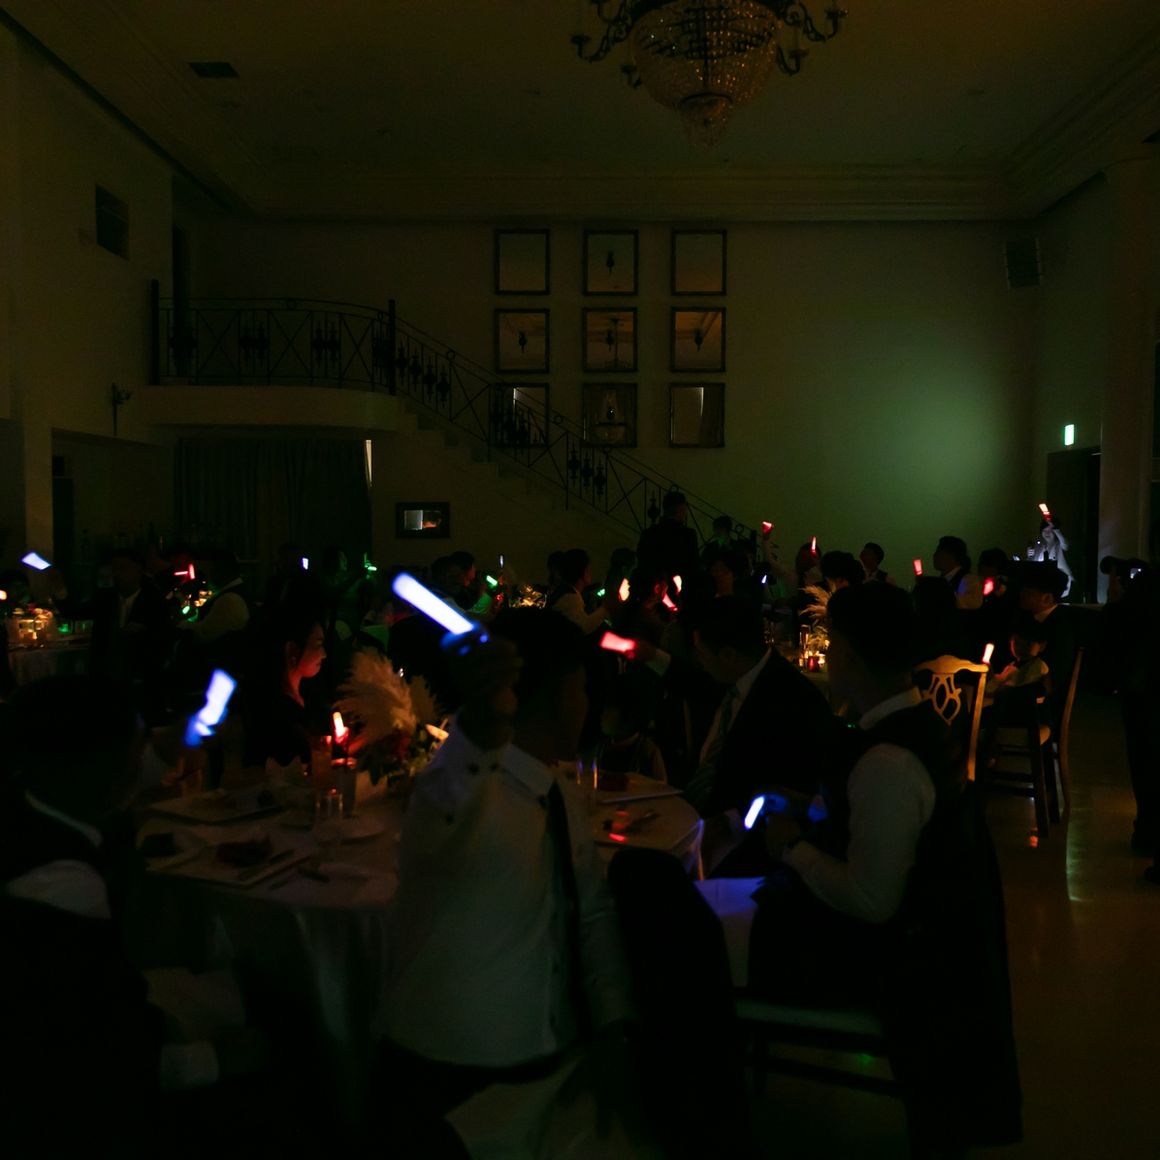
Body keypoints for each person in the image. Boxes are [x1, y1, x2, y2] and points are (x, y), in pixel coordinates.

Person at [731, 583, 1022, 1151]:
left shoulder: (888, 761)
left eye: (830, 643)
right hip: (928, 952)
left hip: (889, 967)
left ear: (847, 654)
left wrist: (792, 847)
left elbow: (871, 900)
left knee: (696, 935)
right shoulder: (916, 728)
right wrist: (810, 808)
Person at [374, 609, 634, 1154]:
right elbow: (444, 808)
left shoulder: (558, 791)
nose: (587, 704)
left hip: (547, 1062)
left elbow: (591, 911)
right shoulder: (468, 791)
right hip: (451, 1077)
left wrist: (614, 1021)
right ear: (558, 694)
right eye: (582, 688)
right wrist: (480, 726)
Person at [0, 677, 264, 1154]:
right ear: (102, 763)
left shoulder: (33, 803)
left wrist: (168, 746)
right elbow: (93, 1054)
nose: (144, 762)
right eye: (137, 746)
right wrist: (213, 1060)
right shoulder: (60, 886)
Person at [684, 596, 841, 875]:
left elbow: (788, 788)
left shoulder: (792, 703)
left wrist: (725, 824)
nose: (698, 661)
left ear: (728, 655)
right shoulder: (735, 678)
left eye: (701, 653)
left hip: (747, 854)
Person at [1103, 523, 1160, 863]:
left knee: (1146, 762)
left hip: (1145, 689)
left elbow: (1119, 629)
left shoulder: (1147, 585)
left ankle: (1149, 831)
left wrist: (1115, 601)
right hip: (1145, 686)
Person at [241, 605, 328, 767]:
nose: (324, 654)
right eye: (318, 644)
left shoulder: (309, 697)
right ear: (292, 650)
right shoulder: (275, 715)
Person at [1017, 561, 1075, 733]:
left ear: (1047, 598)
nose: (1021, 594)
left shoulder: (1060, 627)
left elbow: (1050, 677)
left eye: (1028, 592)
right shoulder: (1031, 620)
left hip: (1041, 709)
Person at [546, 548, 615, 635]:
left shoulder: (564, 592)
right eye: (588, 569)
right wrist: (605, 607)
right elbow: (583, 627)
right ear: (583, 572)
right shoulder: (570, 598)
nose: (590, 573)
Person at [636, 491, 699, 583]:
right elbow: (693, 565)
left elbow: (642, 559)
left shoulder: (649, 533)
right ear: (680, 509)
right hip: (680, 585)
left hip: (653, 584)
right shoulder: (688, 534)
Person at [985, 614, 1049, 697]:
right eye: (1017, 642)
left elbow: (1020, 687)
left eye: (1027, 643)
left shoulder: (1039, 666)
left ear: (1042, 645)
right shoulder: (1010, 667)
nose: (1021, 647)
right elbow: (992, 688)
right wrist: (990, 673)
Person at [933, 535, 983, 610]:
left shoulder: (968, 580)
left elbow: (974, 603)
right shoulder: (943, 580)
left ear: (952, 557)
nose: (934, 556)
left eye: (938, 552)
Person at [1031, 520, 1075, 599]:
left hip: (1064, 588)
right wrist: (1030, 556)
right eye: (1044, 530)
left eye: (1050, 531)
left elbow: (1065, 545)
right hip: (1047, 588)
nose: (1047, 533)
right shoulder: (1040, 547)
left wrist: (1056, 529)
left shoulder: (1060, 545)